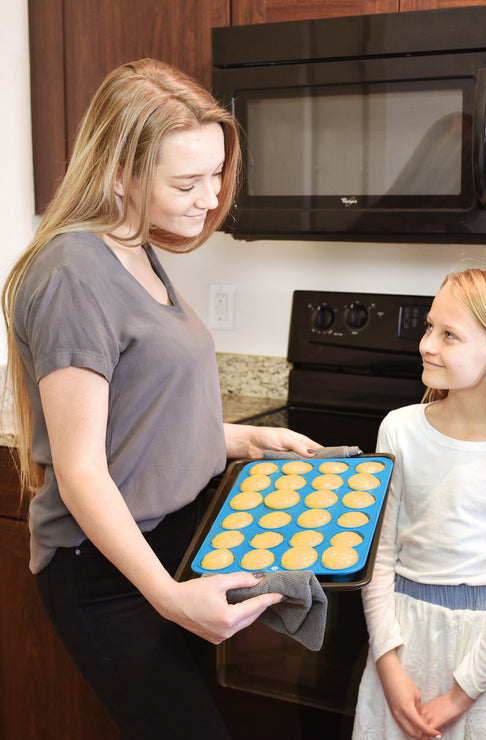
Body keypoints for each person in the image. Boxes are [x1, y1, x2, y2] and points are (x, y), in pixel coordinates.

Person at [1, 58, 318, 739]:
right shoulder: (72, 274)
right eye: (187, 181)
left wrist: (240, 438)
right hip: (106, 571)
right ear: (120, 172)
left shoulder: (134, 248)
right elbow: (83, 468)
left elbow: (138, 415)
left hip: (173, 542)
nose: (209, 198)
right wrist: (170, 597)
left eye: (216, 175)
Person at [352, 267, 486, 740]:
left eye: (449, 334)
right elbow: (379, 555)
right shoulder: (399, 429)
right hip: (404, 645)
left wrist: (459, 696)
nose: (427, 344)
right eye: (430, 326)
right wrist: (388, 665)